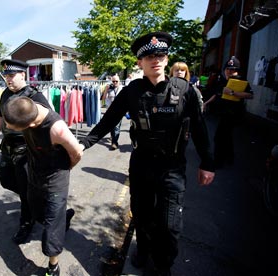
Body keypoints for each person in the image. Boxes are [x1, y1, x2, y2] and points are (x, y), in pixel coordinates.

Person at [79, 32, 215, 276]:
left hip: (172, 168)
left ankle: (163, 264)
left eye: (161, 55)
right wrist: (84, 144)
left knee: (169, 224)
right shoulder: (132, 91)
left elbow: (199, 127)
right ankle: (142, 250)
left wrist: (207, 163)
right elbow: (109, 120)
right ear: (140, 62)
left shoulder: (185, 90)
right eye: (149, 56)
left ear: (166, 58)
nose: (156, 60)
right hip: (141, 165)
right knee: (141, 215)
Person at [2, 96, 83, 276]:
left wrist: (66, 168)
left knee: (51, 227)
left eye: (13, 127)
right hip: (35, 172)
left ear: (30, 125)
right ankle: (64, 218)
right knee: (36, 210)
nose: (8, 128)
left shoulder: (57, 128)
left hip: (55, 180)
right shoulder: (28, 106)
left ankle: (53, 266)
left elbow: (77, 152)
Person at [0, 59, 52, 244]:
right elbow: (0, 116)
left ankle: (27, 222)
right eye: (6, 75)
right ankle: (36, 202)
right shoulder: (5, 94)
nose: (8, 79)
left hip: (27, 150)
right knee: (5, 180)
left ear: (23, 74)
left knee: (25, 191)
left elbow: (50, 121)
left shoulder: (34, 96)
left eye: (11, 75)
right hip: (8, 147)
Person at [206, 56, 253, 168]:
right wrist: (205, 103)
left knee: (219, 137)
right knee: (227, 137)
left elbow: (250, 95)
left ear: (237, 70)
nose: (229, 71)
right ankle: (229, 158)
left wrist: (232, 92)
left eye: (232, 69)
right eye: (227, 69)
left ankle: (218, 161)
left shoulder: (241, 81)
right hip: (223, 113)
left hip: (232, 114)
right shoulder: (223, 81)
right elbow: (216, 94)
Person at [101, 74, 123, 150]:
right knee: (111, 126)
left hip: (119, 111)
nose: (115, 83)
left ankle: (114, 143)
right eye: (113, 81)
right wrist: (106, 90)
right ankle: (112, 137)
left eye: (116, 81)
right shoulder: (109, 89)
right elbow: (103, 99)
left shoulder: (122, 88)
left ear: (119, 81)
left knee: (116, 127)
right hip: (109, 111)